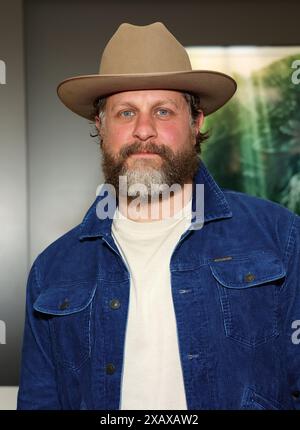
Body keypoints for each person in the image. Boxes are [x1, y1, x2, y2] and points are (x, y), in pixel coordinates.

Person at [17, 22, 300, 410]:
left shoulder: (279, 237)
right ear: (100, 126)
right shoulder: (52, 271)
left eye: (163, 111)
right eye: (126, 112)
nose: (144, 130)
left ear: (197, 122)